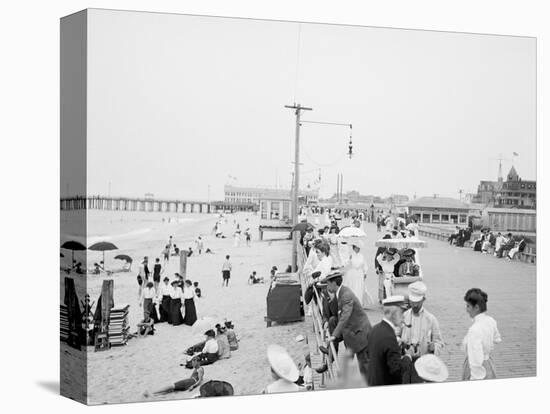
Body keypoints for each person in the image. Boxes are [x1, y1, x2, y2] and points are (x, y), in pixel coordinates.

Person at [325, 271, 372, 383]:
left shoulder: (345, 295)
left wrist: (334, 335)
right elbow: (337, 315)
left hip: (360, 334)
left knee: (365, 367)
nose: (327, 287)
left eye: (328, 284)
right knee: (352, 366)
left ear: (333, 283)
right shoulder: (340, 293)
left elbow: (345, 316)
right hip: (351, 334)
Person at [366, 295, 414, 386]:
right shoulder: (389, 337)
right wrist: (408, 356)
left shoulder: (374, 329)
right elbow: (397, 370)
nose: (403, 318)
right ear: (393, 313)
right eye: (401, 313)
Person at [462, 288, 501, 380]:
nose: (466, 309)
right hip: (489, 364)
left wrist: (474, 378)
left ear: (476, 308)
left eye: (468, 306)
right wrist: (487, 346)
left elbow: (475, 360)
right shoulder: (491, 321)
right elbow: (496, 339)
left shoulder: (474, 330)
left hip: (477, 370)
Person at [400, 282, 444, 358]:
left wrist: (434, 347)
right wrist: (400, 343)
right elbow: (395, 336)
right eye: (412, 302)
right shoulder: (404, 316)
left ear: (423, 299)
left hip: (424, 361)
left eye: (418, 302)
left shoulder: (431, 319)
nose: (415, 305)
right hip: (406, 360)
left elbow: (439, 343)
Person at [342, 240, 372, 308]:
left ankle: (359, 302)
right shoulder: (350, 255)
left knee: (359, 288)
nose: (358, 249)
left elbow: (365, 264)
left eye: (359, 248)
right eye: (357, 248)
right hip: (352, 273)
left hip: (359, 274)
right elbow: (345, 264)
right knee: (352, 287)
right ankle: (351, 302)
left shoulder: (361, 256)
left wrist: (365, 272)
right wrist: (349, 259)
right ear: (354, 248)